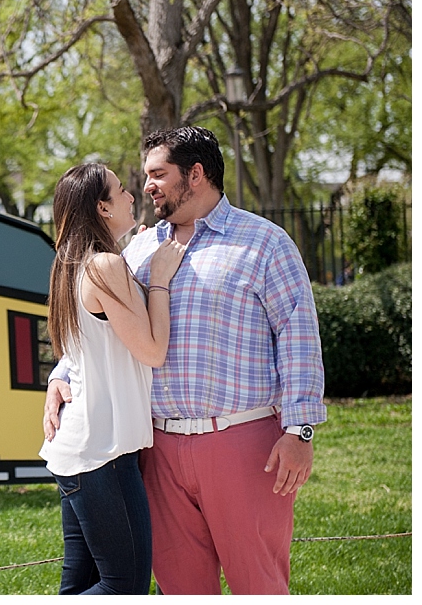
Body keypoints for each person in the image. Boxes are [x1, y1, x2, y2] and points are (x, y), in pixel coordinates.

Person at [43, 127, 327, 595]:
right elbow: (101, 324)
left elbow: (299, 339)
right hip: (156, 451)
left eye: (158, 174)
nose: (147, 185)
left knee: (259, 585)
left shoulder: (264, 243)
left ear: (195, 175)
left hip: (242, 444)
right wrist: (61, 375)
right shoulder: (138, 247)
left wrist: (300, 430)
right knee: (180, 589)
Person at [38, 162, 187, 595]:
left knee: (81, 584)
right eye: (120, 190)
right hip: (104, 453)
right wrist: (158, 280)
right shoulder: (104, 266)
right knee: (125, 588)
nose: (131, 195)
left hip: (80, 450)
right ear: (102, 207)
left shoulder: (71, 264)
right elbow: (152, 351)